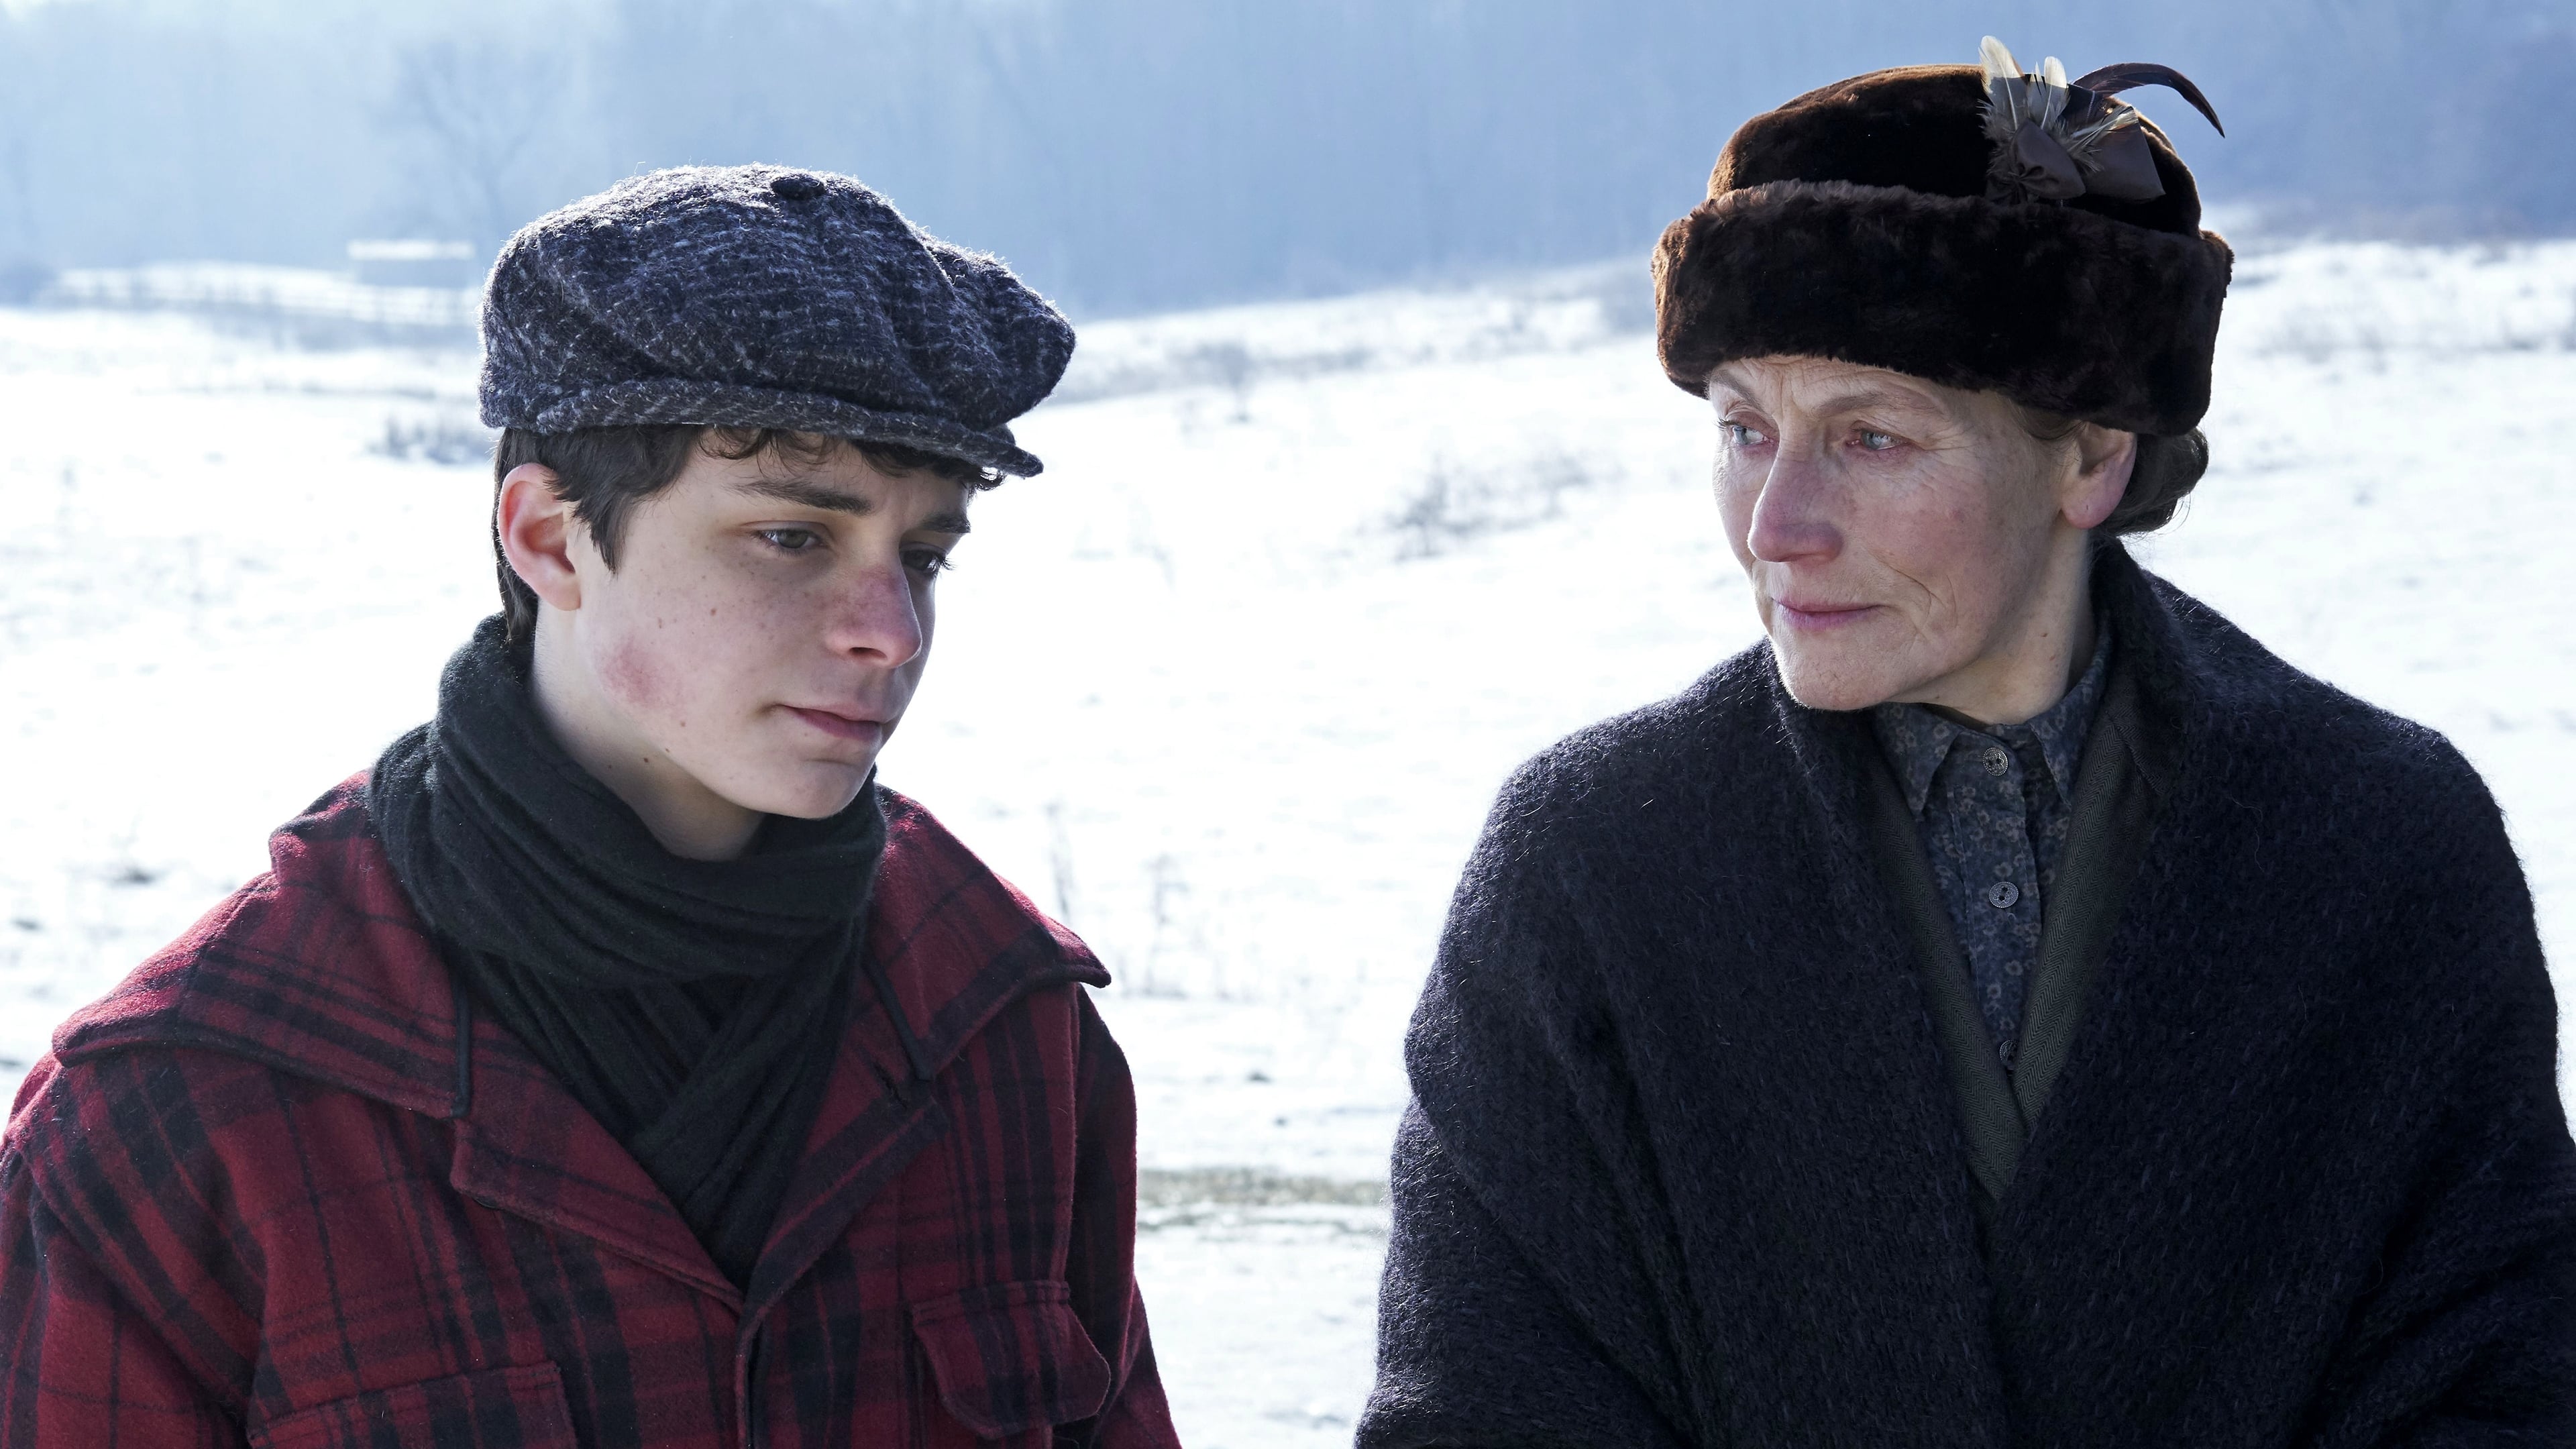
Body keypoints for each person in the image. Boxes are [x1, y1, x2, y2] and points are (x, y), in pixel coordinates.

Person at [1362, 40, 2576, 1447]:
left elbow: (2503, 1390)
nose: (1777, 528)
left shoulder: (2381, 844)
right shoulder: (1589, 869)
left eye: (1872, 439)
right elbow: (1480, 1411)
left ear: (2093, 455)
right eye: (1745, 430)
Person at [0, 166, 1179, 1448]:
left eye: (924, 556)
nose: (890, 632)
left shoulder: (1004, 1025)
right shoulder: (190, 1110)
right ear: (551, 539)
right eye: (793, 537)